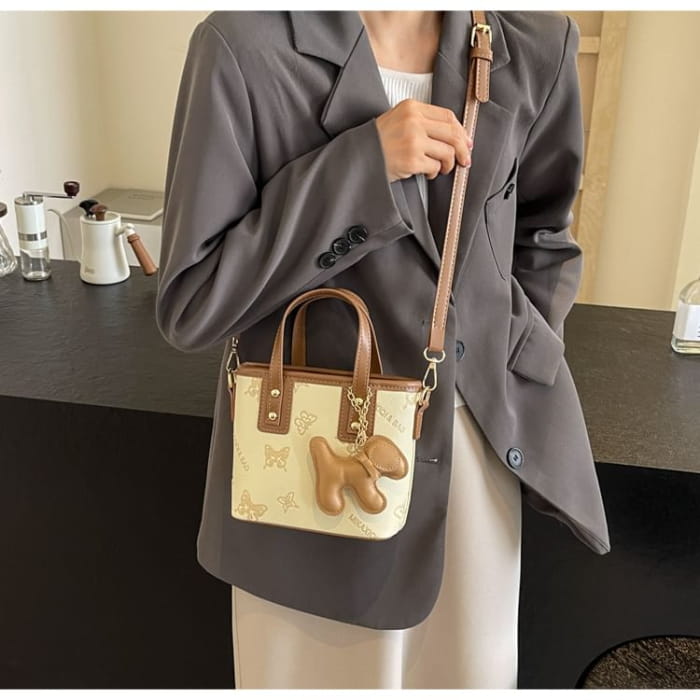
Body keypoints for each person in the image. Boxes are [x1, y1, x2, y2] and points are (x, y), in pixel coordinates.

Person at [156, 9, 610, 690]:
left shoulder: (534, 45)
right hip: (307, 464)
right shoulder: (243, 46)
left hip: (474, 456)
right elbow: (193, 303)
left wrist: (515, 360)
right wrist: (362, 170)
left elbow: (541, 236)